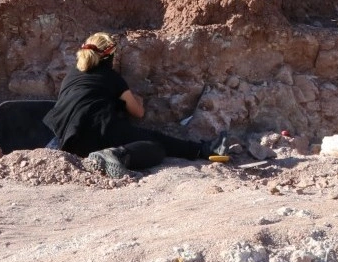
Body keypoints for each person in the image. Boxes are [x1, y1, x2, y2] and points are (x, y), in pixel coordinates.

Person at [43, 32, 225, 177]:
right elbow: (138, 112)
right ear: (108, 56)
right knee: (155, 145)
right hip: (98, 130)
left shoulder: (70, 76)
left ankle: (200, 150)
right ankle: (116, 155)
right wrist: (139, 99)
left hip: (69, 140)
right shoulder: (111, 77)